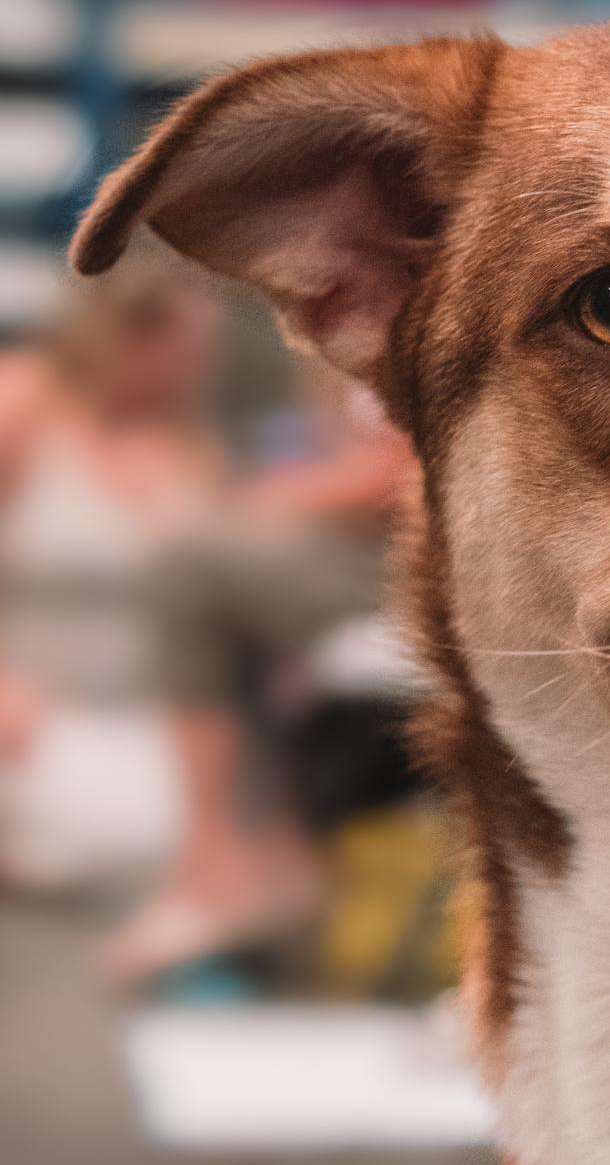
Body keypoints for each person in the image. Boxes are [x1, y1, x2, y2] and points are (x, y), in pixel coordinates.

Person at [106, 345, 417, 981]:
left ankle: (222, 864)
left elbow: (397, 474)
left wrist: (246, 507)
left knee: (190, 570)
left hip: (420, 572)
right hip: (364, 566)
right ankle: (262, 857)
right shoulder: (325, 365)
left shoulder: (420, 321)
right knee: (208, 593)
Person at [0, 247, 225, 892]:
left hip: (145, 729)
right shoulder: (27, 405)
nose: (195, 369)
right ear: (131, 335)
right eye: (185, 349)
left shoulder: (190, 448)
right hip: (30, 717)